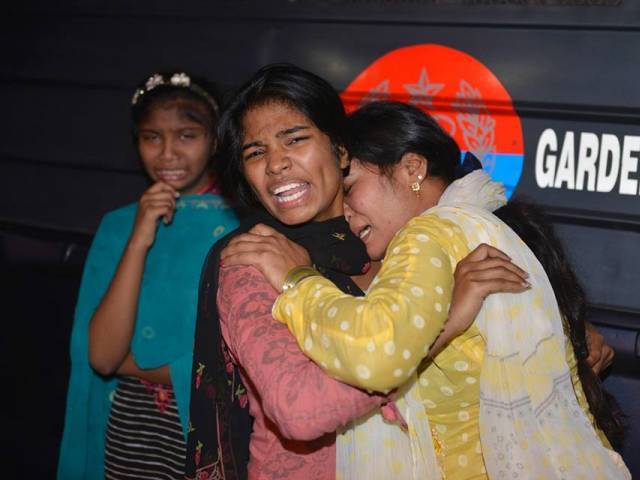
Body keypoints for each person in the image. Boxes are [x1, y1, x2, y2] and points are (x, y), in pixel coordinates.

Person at [223, 100, 630, 478]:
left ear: (412, 168)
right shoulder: (488, 221)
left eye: (350, 189)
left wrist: (298, 278)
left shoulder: (425, 235)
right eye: (256, 152)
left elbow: (377, 348)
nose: (343, 211)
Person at [185, 64, 532, 480]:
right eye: (255, 152)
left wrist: (561, 328)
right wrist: (444, 325)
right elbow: (299, 411)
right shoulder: (253, 260)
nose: (276, 164)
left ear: (341, 150)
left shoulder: (388, 247)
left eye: (294, 139)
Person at [57, 71, 239, 480]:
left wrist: (137, 365)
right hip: (128, 435)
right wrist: (140, 238)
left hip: (203, 439)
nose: (167, 153)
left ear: (214, 141)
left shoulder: (241, 229)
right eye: (151, 137)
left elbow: (237, 362)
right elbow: (101, 356)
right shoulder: (120, 225)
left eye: (186, 135)